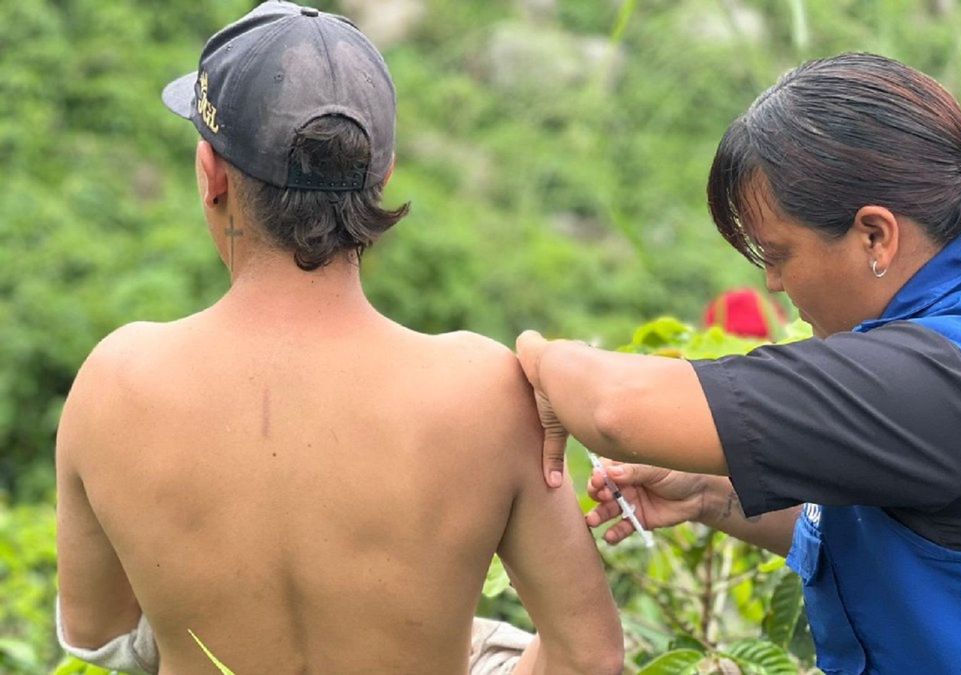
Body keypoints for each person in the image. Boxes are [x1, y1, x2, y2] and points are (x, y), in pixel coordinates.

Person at [516, 52, 961, 673]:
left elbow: (614, 409)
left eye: (778, 254)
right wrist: (711, 495)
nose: (776, 286)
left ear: (875, 234)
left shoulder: (933, 377)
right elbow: (939, 546)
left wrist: (536, 357)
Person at [54, 3, 623, 674]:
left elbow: (97, 635)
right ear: (381, 176)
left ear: (212, 173)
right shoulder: (486, 388)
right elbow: (591, 657)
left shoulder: (114, 382)